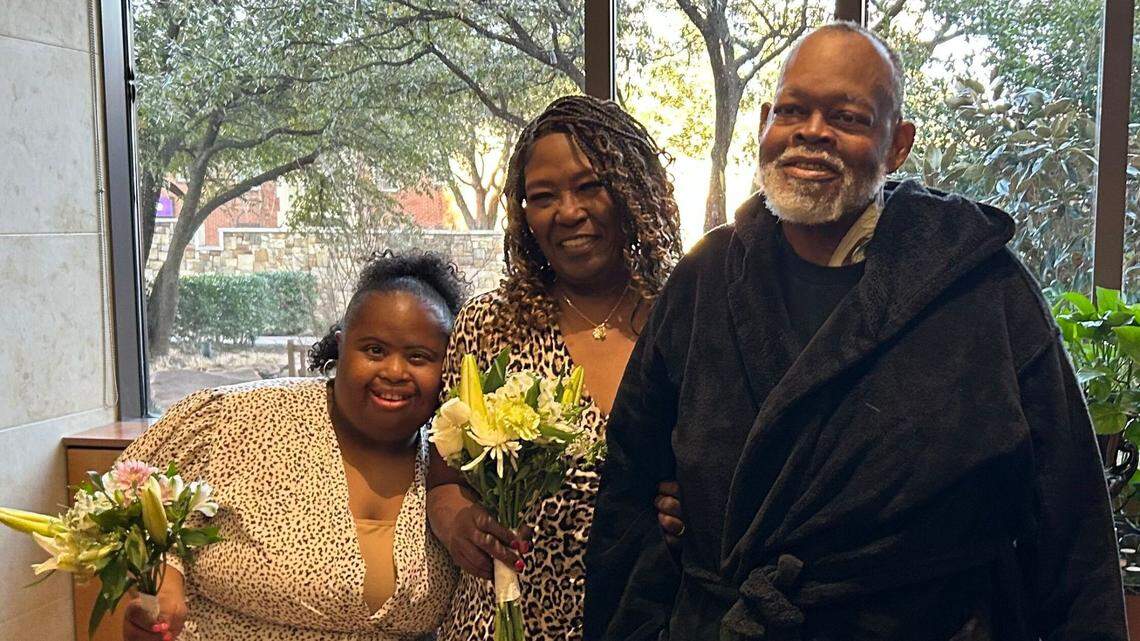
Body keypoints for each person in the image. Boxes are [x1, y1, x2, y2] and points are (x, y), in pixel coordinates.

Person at [584, 22, 1126, 641]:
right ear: (765, 123)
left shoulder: (981, 288)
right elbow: (629, 491)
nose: (812, 133)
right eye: (792, 110)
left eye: (846, 117)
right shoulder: (705, 278)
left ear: (897, 144)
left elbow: (1068, 516)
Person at [427, 94, 685, 641]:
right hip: (503, 622)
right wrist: (458, 527)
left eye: (589, 186)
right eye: (542, 196)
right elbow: (443, 480)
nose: (568, 212)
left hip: (642, 621)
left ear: (632, 190)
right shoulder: (489, 328)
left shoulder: (683, 323)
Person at [120, 250, 461, 641]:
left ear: (448, 365)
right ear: (340, 347)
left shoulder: (454, 460)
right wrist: (161, 585)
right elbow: (122, 505)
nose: (395, 371)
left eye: (419, 357)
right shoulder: (237, 419)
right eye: (374, 350)